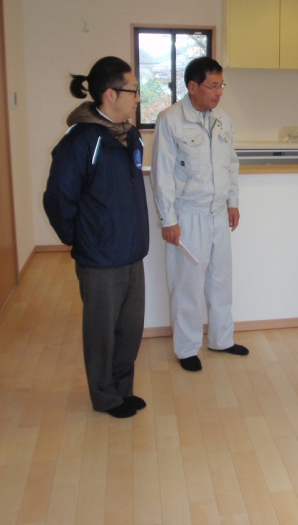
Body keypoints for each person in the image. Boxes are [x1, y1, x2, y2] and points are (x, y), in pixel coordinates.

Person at [43, 56, 149, 418]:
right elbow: (58, 198)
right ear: (110, 94)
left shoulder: (129, 135)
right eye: (133, 90)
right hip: (100, 258)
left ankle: (122, 390)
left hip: (132, 252)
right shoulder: (81, 140)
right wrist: (80, 238)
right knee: (101, 333)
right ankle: (105, 397)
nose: (138, 97)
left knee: (129, 330)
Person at [150, 56, 248, 372]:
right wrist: (168, 220)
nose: (219, 92)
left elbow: (231, 164)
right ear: (193, 87)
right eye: (213, 86)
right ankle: (187, 348)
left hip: (218, 214)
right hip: (188, 215)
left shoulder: (223, 120)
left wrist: (233, 201)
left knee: (221, 281)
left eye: (221, 85)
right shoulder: (170, 120)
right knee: (187, 286)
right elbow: (162, 174)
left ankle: (222, 339)